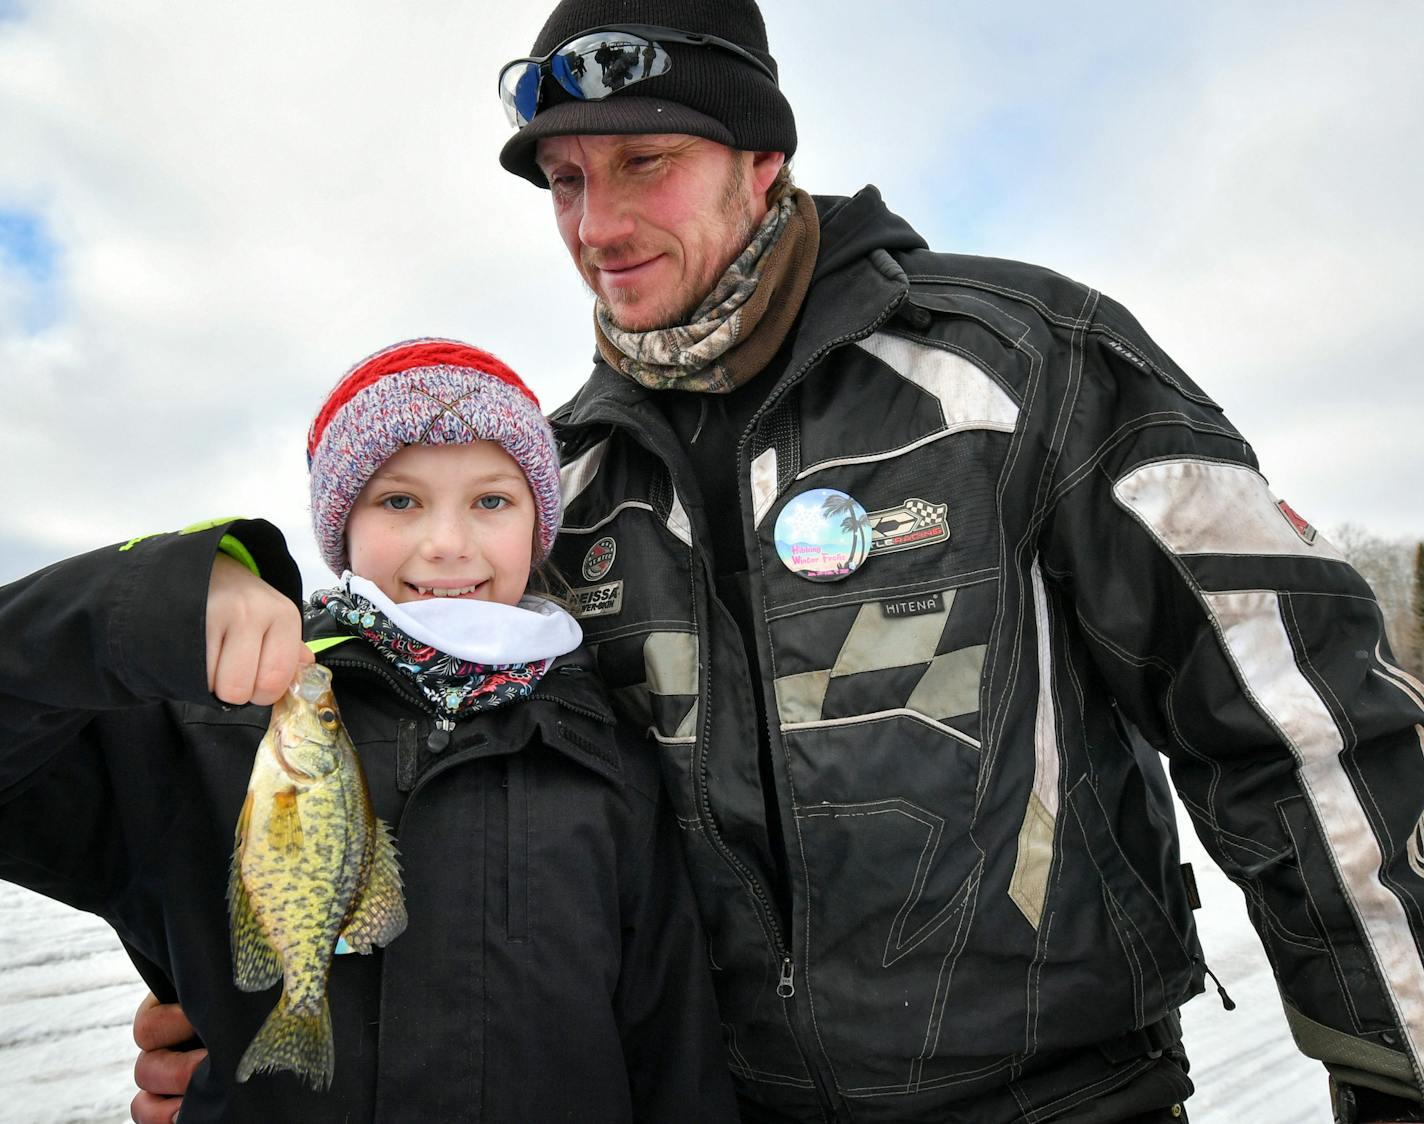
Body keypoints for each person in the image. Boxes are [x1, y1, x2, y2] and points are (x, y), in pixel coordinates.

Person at [136, 3, 1424, 1122]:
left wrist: (1396, 1061)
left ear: (762, 159)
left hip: (1062, 1094)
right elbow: (473, 809)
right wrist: (249, 1006)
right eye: (567, 181)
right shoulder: (559, 490)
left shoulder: (1019, 363)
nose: (598, 221)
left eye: (644, 160)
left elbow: (1291, 719)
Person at [0, 339, 737, 1121]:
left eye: (492, 500)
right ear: (341, 528)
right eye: (399, 501)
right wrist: (155, 603)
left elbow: (670, 1040)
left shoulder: (604, 752)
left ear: (538, 526)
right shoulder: (209, 722)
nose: (448, 542)